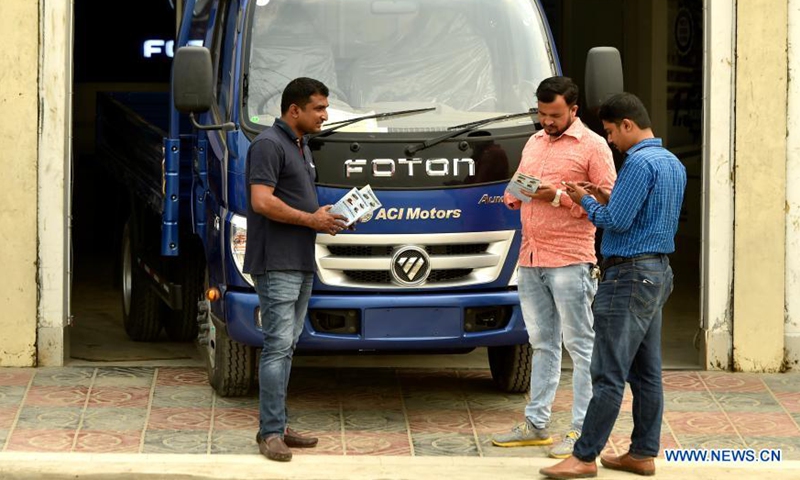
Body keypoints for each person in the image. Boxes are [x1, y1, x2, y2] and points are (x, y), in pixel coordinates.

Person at [540, 93, 687, 479]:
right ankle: (641, 453)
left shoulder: (637, 162)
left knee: (606, 372)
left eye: (609, 132)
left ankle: (584, 456)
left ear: (627, 125)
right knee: (646, 372)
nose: (609, 141)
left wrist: (582, 200)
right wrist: (604, 194)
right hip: (657, 273)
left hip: (627, 277)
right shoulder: (671, 162)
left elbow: (616, 222)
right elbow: (641, 212)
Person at [492, 76, 616, 459]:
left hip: (571, 259)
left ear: (573, 110)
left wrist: (558, 197)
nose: (547, 121)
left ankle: (582, 431)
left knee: (580, 347)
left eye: (555, 115)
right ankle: (536, 423)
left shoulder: (594, 146)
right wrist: (515, 194)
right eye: (542, 114)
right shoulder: (534, 142)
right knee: (541, 343)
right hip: (531, 257)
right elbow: (520, 184)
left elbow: (610, 201)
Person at [243, 77, 347, 462]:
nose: (325, 114)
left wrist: (328, 218)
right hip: (277, 263)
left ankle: (280, 425)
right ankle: (270, 433)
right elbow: (262, 202)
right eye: (319, 108)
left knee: (287, 347)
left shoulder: (299, 146)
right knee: (276, 347)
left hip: (299, 261)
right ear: (294, 110)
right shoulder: (269, 145)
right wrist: (310, 220)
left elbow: (298, 205)